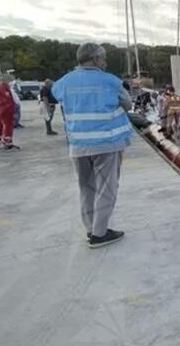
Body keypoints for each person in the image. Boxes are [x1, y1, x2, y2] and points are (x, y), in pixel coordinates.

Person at [52, 43, 132, 248]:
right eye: (103, 59)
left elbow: (57, 96)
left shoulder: (63, 82)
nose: (105, 63)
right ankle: (100, 233)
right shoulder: (111, 81)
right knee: (106, 189)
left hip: (78, 144)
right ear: (96, 59)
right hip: (107, 143)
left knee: (86, 188)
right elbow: (127, 104)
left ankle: (90, 229)